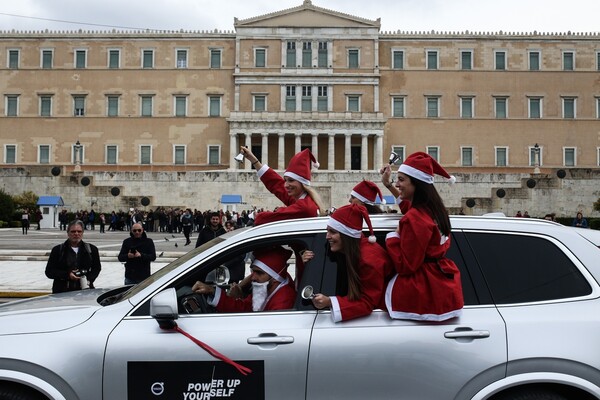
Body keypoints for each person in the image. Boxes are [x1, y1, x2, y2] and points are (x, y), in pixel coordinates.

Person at [383, 152, 463, 321]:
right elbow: (411, 209)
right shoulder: (435, 211)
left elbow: (406, 266)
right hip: (444, 284)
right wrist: (388, 185)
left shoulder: (415, 219)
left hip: (424, 291)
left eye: (401, 180)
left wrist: (393, 237)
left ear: (417, 184)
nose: (397, 184)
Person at [302, 204, 392, 322]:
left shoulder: (369, 259)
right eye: (327, 231)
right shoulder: (354, 249)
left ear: (347, 235)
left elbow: (368, 302)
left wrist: (330, 302)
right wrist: (306, 257)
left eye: (332, 232)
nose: (327, 236)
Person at [192, 246, 296, 312]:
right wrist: (212, 291)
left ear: (275, 278)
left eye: (259, 273)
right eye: (252, 272)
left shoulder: (283, 301)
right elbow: (245, 307)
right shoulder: (267, 287)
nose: (253, 277)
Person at [239, 147, 325, 225]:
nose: (286, 185)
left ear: (303, 183)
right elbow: (276, 184)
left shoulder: (305, 207)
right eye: (285, 180)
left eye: (291, 180)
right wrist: (253, 160)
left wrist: (255, 215)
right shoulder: (304, 200)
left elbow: (263, 219)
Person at [45, 220, 102, 293]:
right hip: (62, 292)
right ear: (68, 233)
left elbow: (97, 268)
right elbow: (49, 272)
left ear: (82, 233)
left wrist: (88, 279)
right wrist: (67, 274)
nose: (76, 234)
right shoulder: (58, 250)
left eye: (79, 231)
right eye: (73, 231)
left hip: (85, 291)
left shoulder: (92, 250)